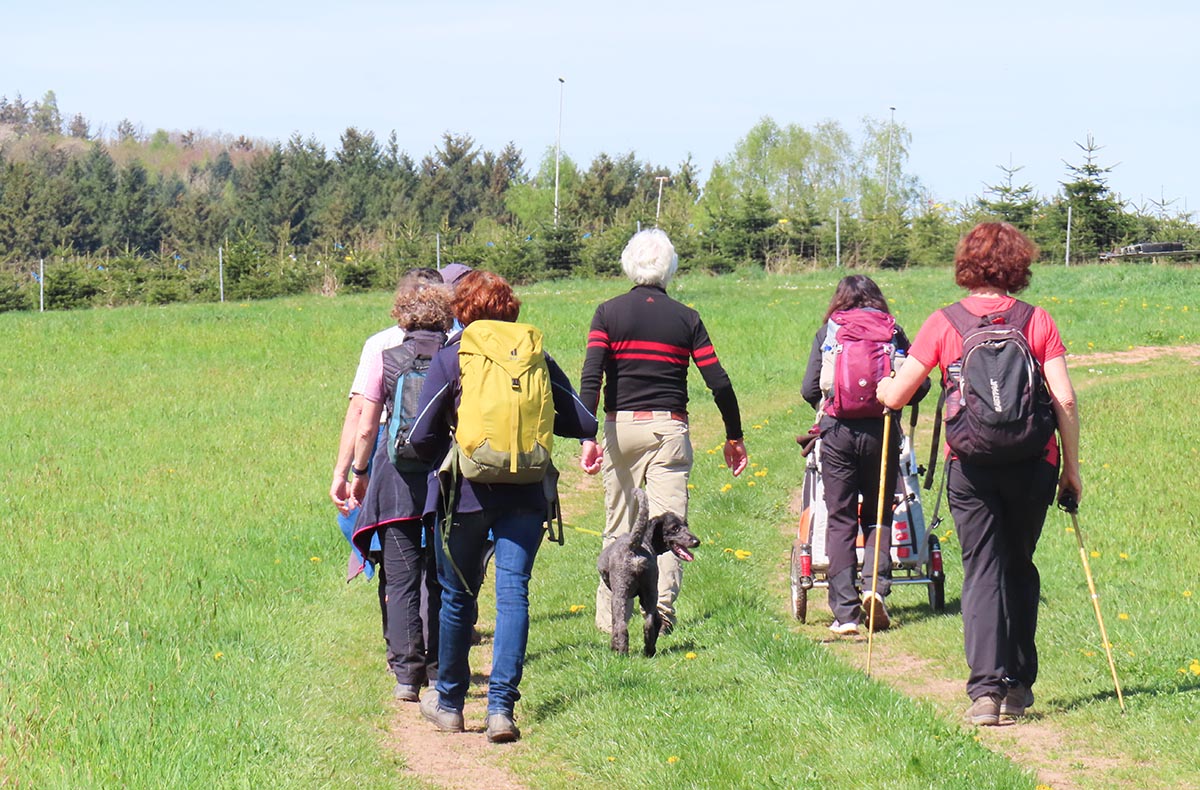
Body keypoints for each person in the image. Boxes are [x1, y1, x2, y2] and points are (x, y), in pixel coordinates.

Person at [877, 222, 1081, 726]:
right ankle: (1019, 686)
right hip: (1035, 462)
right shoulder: (1037, 321)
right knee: (1019, 566)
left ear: (966, 265)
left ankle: (985, 694)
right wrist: (1071, 471)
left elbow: (898, 394)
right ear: (1019, 264)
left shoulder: (944, 322)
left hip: (971, 466)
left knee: (983, 570)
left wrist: (884, 390)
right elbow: (1065, 399)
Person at [408, 271, 598, 744]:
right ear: (511, 310)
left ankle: (450, 704)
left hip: (465, 497)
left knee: (457, 597)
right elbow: (582, 419)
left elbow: (418, 437)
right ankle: (500, 712)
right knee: (514, 595)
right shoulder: (537, 356)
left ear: (461, 311)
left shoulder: (454, 356)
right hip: (527, 494)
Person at [578, 229, 748, 638]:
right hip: (669, 427)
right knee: (670, 527)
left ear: (629, 265)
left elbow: (591, 376)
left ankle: (609, 622)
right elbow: (719, 382)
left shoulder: (607, 313)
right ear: (669, 268)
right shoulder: (686, 318)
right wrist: (734, 436)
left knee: (619, 523)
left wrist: (587, 435)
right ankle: (661, 615)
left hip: (621, 428)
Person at [801, 275, 928, 636]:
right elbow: (920, 384)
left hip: (837, 432)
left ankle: (845, 613)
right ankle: (876, 589)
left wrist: (826, 408)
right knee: (878, 514)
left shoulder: (829, 331)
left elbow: (809, 387)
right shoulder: (892, 330)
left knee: (841, 518)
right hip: (882, 430)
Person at [346, 273, 453, 702]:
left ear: (403, 319)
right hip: (445, 475)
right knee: (441, 576)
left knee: (402, 576)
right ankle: (440, 665)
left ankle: (407, 677)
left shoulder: (387, 358)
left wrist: (358, 471)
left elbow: (367, 423)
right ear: (446, 319)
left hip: (395, 478)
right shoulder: (456, 355)